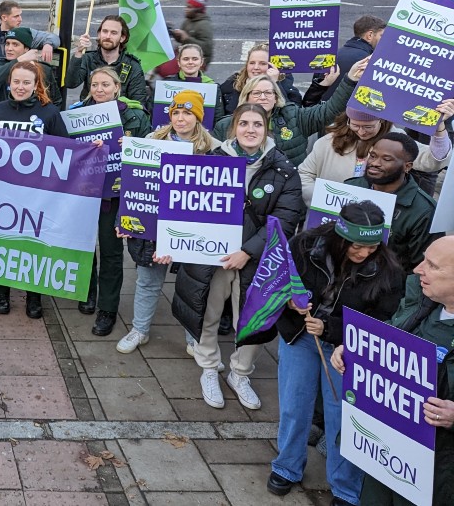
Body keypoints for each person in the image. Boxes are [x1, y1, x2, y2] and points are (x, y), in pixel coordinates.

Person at [267, 201, 405, 504]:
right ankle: (287, 467)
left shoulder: (389, 270)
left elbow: (384, 320)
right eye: (357, 246)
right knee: (294, 405)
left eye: (372, 248)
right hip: (299, 337)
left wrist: (331, 328)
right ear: (339, 237)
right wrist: (290, 301)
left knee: (344, 415)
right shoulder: (304, 246)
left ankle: (345, 487)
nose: (364, 254)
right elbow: (275, 282)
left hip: (347, 348)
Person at [173, 103, 305, 411]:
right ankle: (208, 368)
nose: (250, 129)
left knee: (253, 319)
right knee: (207, 311)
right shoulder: (210, 161)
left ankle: (240, 373)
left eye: (257, 124)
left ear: (265, 128)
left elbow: (286, 219)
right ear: (234, 127)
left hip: (257, 261)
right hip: (213, 256)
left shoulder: (284, 170)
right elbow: (187, 206)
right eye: (244, 123)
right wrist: (173, 243)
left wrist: (247, 252)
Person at [332, 235, 454, 505]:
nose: (418, 269)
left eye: (432, 266)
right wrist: (357, 350)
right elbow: (392, 334)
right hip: (387, 455)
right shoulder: (421, 299)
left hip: (437, 475)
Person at [115, 90, 220, 354]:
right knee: (148, 281)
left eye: (187, 113)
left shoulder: (214, 150)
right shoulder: (151, 141)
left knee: (192, 287)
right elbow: (133, 184)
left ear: (198, 117)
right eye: (176, 113)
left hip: (192, 229)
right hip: (153, 227)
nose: (181, 119)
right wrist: (124, 220)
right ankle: (140, 329)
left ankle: (193, 339)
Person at [0, 61, 72, 319]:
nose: (20, 87)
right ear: (9, 83)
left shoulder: (49, 113)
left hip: (37, 196)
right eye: (16, 81)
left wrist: (93, 149)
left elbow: (66, 150)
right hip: (4, 193)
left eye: (26, 82)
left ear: (36, 85)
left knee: (33, 247)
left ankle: (33, 297)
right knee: (1, 244)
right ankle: (2, 293)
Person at [68, 67, 151, 335]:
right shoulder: (77, 114)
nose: (99, 89)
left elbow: (147, 155)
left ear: (117, 87)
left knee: (112, 253)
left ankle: (107, 308)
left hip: (115, 195)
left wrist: (131, 146)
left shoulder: (135, 116)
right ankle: (87, 292)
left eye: (105, 84)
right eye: (94, 85)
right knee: (83, 246)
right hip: (85, 192)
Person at [212, 57, 366, 166]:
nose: (263, 97)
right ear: (246, 97)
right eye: (257, 93)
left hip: (286, 193)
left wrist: (350, 80)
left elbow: (328, 110)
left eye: (268, 93)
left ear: (276, 97)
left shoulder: (293, 117)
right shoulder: (225, 125)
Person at [298, 103, 453, 202]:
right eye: (355, 125)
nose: (361, 132)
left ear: (381, 121)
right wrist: (327, 199)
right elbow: (304, 175)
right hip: (329, 216)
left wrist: (439, 128)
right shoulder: (328, 142)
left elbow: (433, 160)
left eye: (368, 127)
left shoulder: (396, 141)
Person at [344, 132, 439, 270]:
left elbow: (422, 267)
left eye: (386, 159)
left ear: (407, 166)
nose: (375, 163)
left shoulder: (424, 210)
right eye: (373, 156)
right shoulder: (350, 187)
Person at [303, 14, 386, 105]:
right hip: (347, 116)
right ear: (370, 35)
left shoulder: (330, 57)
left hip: (322, 113)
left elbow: (315, 90)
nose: (384, 40)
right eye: (382, 35)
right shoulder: (367, 61)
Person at [68, 15, 149, 105]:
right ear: (99, 34)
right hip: (90, 114)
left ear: (122, 38)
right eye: (105, 31)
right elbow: (71, 83)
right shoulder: (88, 58)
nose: (108, 36)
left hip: (120, 116)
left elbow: (138, 102)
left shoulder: (132, 65)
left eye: (114, 33)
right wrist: (78, 53)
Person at [0, 0, 59, 75]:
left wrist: (48, 44)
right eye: (16, 16)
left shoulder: (26, 34)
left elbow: (53, 37)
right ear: (4, 17)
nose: (20, 19)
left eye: (20, 15)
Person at [0, 27, 62, 108]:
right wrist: (19, 60)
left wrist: (47, 117)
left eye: (15, 44)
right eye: (7, 44)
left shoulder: (43, 69)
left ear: (26, 49)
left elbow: (56, 101)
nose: (9, 48)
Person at [218, 43, 302, 114]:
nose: (256, 67)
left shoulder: (288, 89)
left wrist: (275, 84)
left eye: (263, 63)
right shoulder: (231, 85)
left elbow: (291, 117)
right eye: (252, 63)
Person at [171, 0, 214, 69]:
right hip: (187, 53)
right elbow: (182, 39)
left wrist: (186, 39)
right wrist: (176, 35)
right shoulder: (188, 21)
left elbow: (207, 48)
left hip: (200, 59)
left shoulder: (204, 25)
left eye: (189, 7)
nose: (186, 9)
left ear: (197, 10)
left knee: (168, 69)